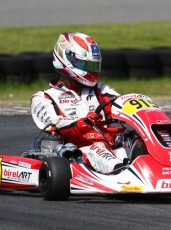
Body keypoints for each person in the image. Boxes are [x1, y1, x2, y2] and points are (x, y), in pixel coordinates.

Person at [30, 32, 127, 174]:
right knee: (97, 149)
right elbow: (53, 122)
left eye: (93, 66)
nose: (90, 71)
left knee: (135, 139)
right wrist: (81, 124)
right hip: (76, 153)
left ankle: (154, 166)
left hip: (112, 146)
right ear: (67, 61)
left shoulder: (100, 90)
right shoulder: (45, 97)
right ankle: (122, 172)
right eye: (85, 65)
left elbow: (121, 104)